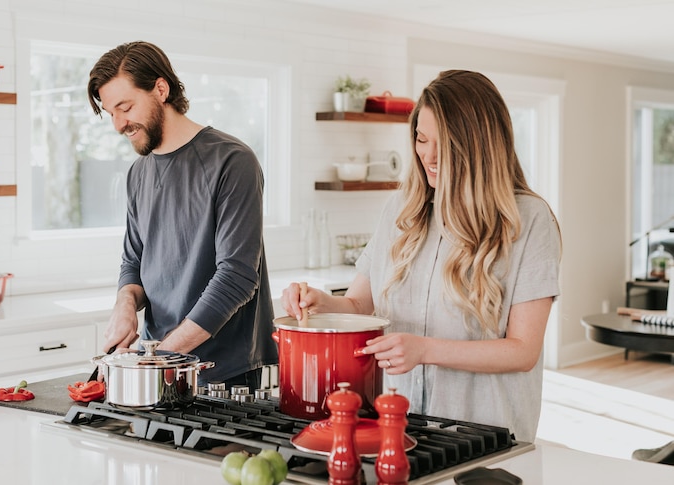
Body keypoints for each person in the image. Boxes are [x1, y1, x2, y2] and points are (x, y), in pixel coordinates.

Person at [282, 70, 561, 442]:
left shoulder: (528, 220)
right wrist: (322, 304)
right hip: (397, 426)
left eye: (443, 143)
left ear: (479, 145)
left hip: (483, 434)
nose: (428, 155)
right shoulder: (401, 209)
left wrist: (426, 350)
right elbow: (361, 304)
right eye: (421, 138)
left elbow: (523, 350)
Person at [87, 41, 278, 391]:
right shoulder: (138, 172)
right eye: (110, 112)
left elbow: (237, 277)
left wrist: (158, 359)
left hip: (223, 373)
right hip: (155, 363)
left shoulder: (232, 161)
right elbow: (134, 261)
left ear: (161, 89)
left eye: (125, 107)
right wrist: (125, 305)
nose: (118, 125)